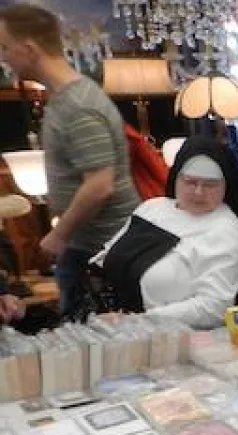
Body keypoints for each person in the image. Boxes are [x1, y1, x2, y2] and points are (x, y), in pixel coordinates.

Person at [0, 4, 139, 320]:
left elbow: (100, 184)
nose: (4, 57)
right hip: (92, 247)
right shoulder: (67, 98)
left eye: (5, 47)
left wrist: (60, 234)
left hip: (100, 252)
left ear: (29, 48)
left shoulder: (77, 105)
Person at [91, 137, 238, 328]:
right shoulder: (151, 208)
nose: (198, 192)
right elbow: (105, 257)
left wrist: (141, 320)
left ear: (225, 186)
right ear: (176, 177)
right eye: (190, 181)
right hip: (113, 327)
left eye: (210, 185)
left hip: (173, 337)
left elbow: (214, 308)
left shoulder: (226, 230)